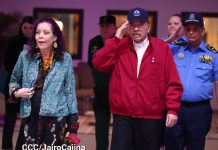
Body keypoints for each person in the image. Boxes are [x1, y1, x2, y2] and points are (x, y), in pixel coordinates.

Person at [92, 7, 183, 150]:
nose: (136, 28)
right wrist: (116, 38)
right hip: (123, 116)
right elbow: (98, 63)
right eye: (132, 25)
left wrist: (172, 109)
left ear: (148, 27)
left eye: (140, 24)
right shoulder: (118, 46)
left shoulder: (161, 48)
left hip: (151, 116)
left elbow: (172, 81)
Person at [8, 18, 79, 150]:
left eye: (46, 32)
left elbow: (70, 91)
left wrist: (73, 124)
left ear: (55, 37)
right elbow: (14, 80)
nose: (40, 36)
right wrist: (17, 92)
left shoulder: (65, 59)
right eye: (38, 32)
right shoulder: (25, 56)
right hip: (30, 116)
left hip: (56, 117)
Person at [165, 12, 218, 150]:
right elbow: (152, 48)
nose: (191, 32)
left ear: (203, 30)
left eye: (196, 29)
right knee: (172, 146)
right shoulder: (174, 48)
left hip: (199, 111)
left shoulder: (213, 54)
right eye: (188, 29)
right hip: (175, 108)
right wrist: (170, 38)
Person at [2, 16, 34, 150]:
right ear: (21, 28)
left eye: (31, 28)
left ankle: (22, 146)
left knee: (27, 119)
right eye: (25, 27)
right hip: (13, 85)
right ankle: (7, 147)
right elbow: (8, 64)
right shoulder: (13, 41)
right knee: (10, 118)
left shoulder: (38, 43)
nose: (28, 30)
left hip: (29, 87)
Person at [88, 15, 116, 150]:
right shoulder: (94, 42)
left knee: (119, 129)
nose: (104, 29)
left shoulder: (121, 42)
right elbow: (91, 64)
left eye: (108, 26)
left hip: (117, 93)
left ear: (114, 27)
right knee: (100, 128)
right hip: (100, 92)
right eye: (102, 26)